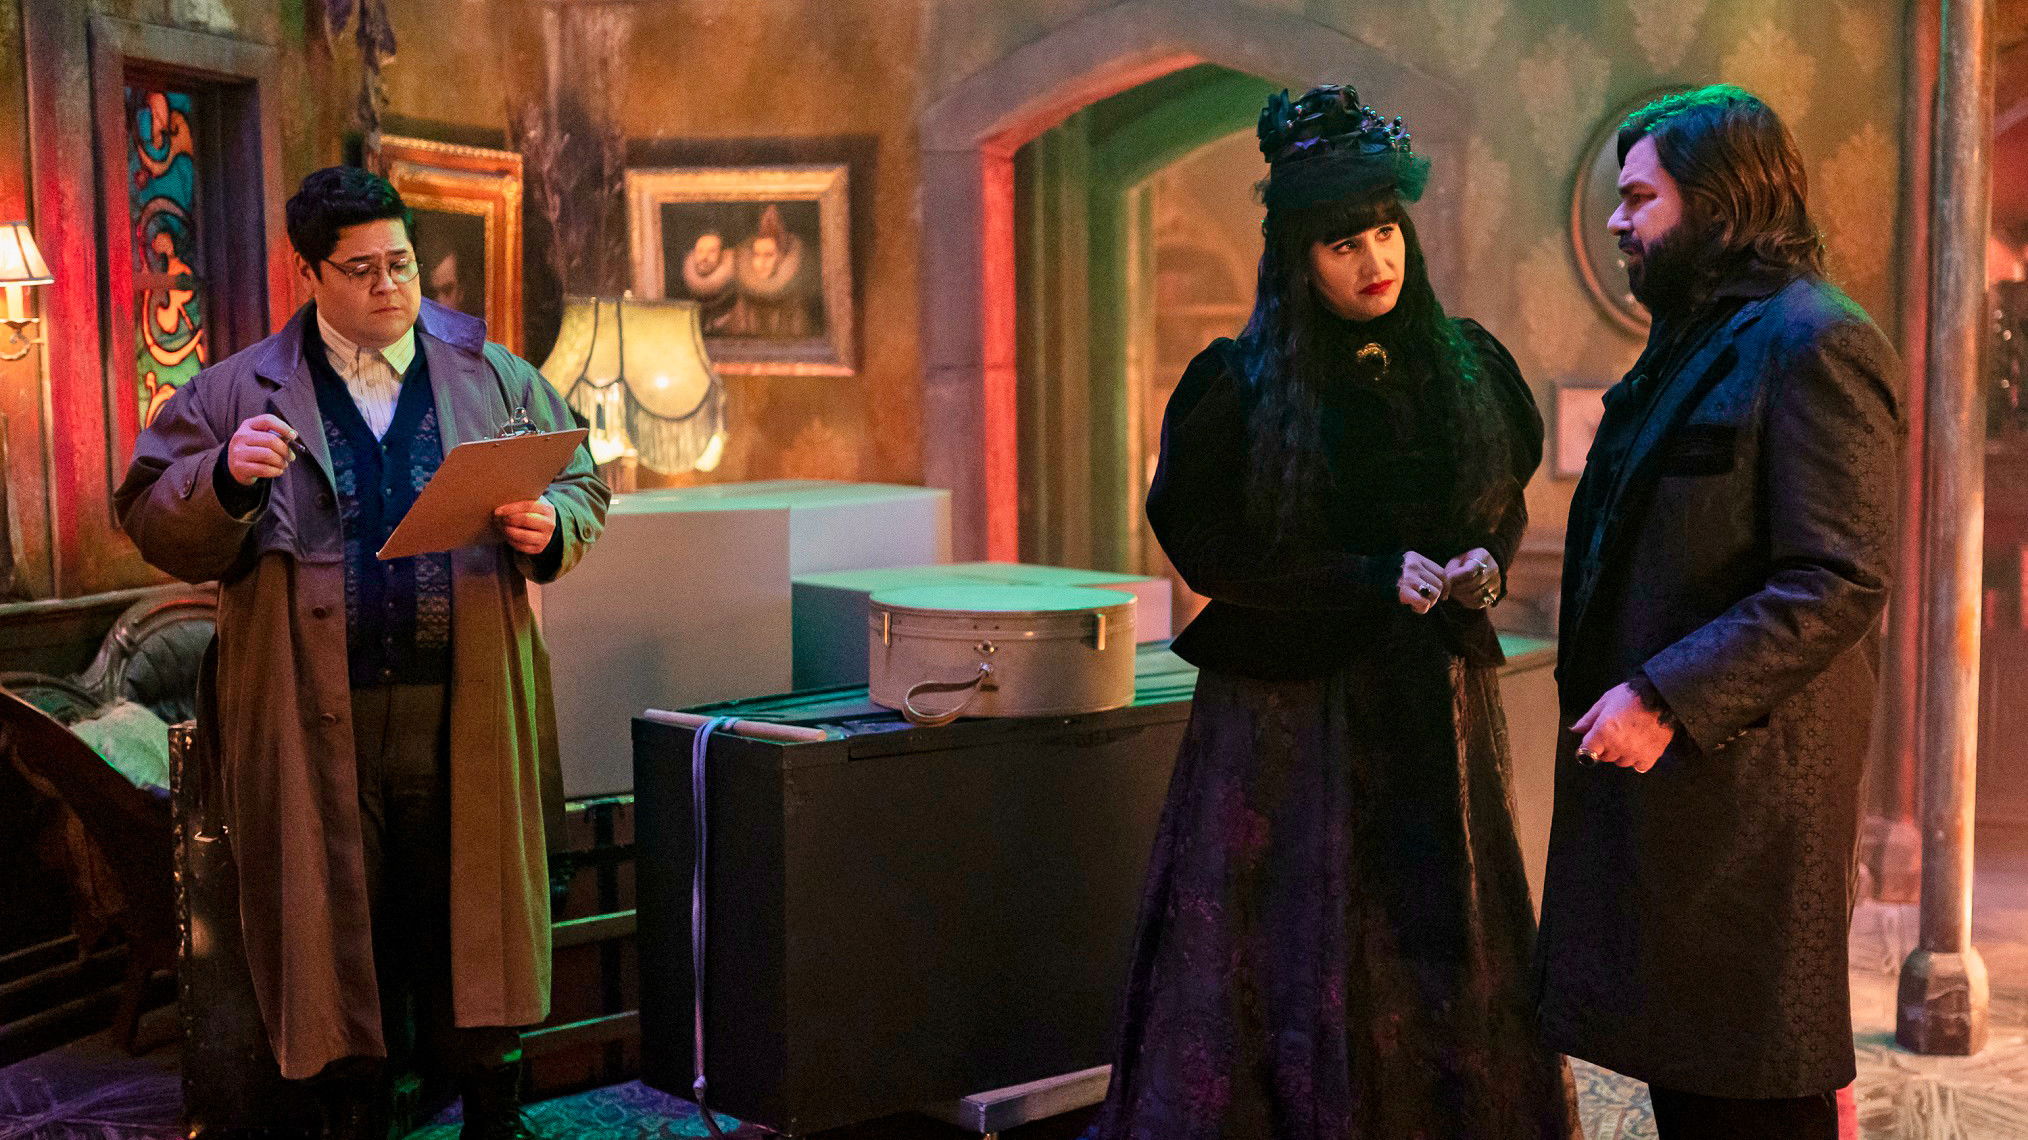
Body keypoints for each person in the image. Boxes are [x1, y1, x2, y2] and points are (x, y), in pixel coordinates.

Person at [1088, 84, 1573, 1139]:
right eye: (1344, 242)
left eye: (1386, 231)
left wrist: (1485, 564)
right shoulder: (1241, 386)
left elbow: (1501, 497)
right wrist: (1364, 577)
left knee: (1431, 924)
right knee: (1293, 936)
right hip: (1291, 715)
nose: (1374, 260)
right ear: (1299, 259)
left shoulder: (1465, 365)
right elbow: (1208, 546)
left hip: (1431, 705)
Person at [116, 166, 610, 1140]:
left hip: (462, 707)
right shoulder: (235, 391)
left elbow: (581, 480)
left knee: (473, 920)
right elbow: (146, 509)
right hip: (309, 717)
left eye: (403, 263)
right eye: (363, 269)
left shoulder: (494, 375)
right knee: (336, 933)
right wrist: (224, 478)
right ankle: (355, 1115)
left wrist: (553, 522)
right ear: (307, 273)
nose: (391, 286)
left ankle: (493, 1115)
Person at [1536, 86, 1900, 1140]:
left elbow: (1837, 577)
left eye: (1639, 198)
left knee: (1753, 1095)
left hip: (1748, 798)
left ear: (1719, 198)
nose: (1618, 221)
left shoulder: (1815, 340)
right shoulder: (1703, 339)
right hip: (1683, 802)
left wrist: (1662, 697)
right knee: (1696, 1084)